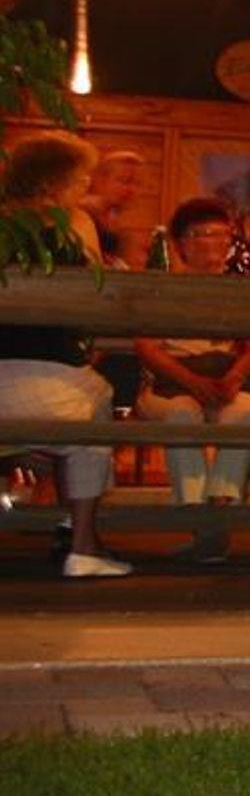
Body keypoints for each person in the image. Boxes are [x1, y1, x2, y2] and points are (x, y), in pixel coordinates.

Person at [0, 132, 129, 577]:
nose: (85, 188)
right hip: (44, 378)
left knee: (85, 395)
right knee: (97, 406)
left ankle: (67, 520)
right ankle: (81, 543)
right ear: (55, 182)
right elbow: (91, 299)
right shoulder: (68, 225)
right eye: (80, 180)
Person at [133, 197, 250, 563]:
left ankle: (218, 512)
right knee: (182, 413)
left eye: (223, 234)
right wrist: (190, 380)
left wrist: (235, 376)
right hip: (171, 382)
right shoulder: (162, 290)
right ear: (183, 242)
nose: (217, 242)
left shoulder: (239, 291)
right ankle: (198, 517)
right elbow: (146, 347)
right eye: (206, 233)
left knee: (246, 412)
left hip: (225, 379)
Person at [79, 148, 143, 266]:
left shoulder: (117, 220)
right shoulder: (81, 214)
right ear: (101, 180)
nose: (131, 190)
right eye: (124, 181)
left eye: (137, 183)